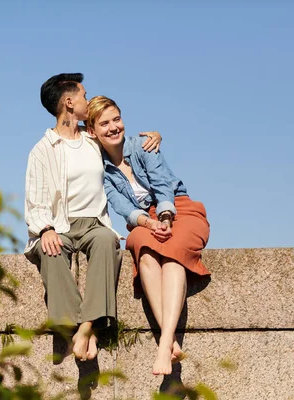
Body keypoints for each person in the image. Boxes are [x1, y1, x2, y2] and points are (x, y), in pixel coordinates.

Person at [24, 73, 161, 362]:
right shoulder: (42, 150)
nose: (88, 99)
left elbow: (121, 142)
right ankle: (73, 323)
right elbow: (34, 199)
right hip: (58, 223)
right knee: (52, 250)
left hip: (94, 223)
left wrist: (153, 137)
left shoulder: (91, 141)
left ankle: (86, 327)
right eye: (84, 96)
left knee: (105, 242)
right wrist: (45, 229)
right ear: (70, 102)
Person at [86, 95, 210, 375]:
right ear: (93, 131)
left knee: (173, 253)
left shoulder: (144, 145)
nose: (113, 127)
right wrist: (148, 223)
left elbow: (162, 183)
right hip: (144, 220)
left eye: (116, 119)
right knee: (142, 249)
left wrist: (164, 217)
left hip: (178, 208)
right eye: (104, 123)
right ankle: (170, 343)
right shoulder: (98, 168)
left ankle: (165, 343)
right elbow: (120, 205)